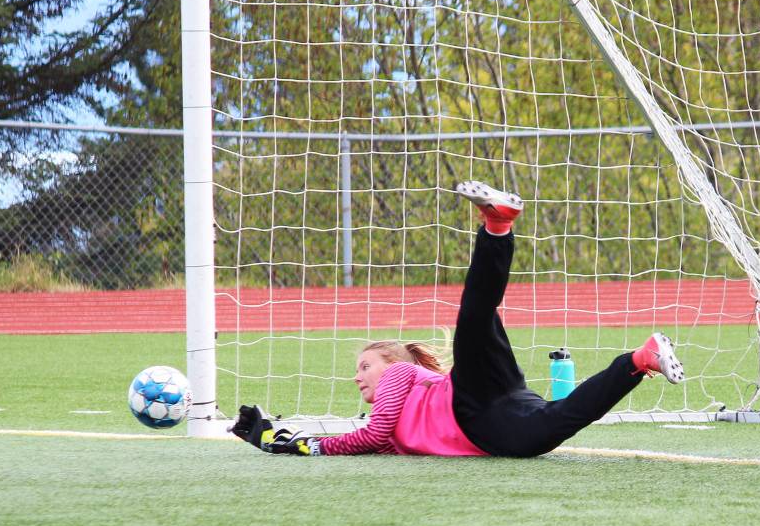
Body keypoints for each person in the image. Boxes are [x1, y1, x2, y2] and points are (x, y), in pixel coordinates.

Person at [231, 180, 685, 457]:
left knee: (474, 315)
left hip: (467, 403)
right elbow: (379, 441)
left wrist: (312, 447)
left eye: (365, 365)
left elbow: (370, 436)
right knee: (554, 425)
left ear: (392, 361)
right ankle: (640, 360)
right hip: (495, 419)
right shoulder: (396, 422)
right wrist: (277, 435)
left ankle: (497, 227)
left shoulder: (398, 378)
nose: (358, 377)